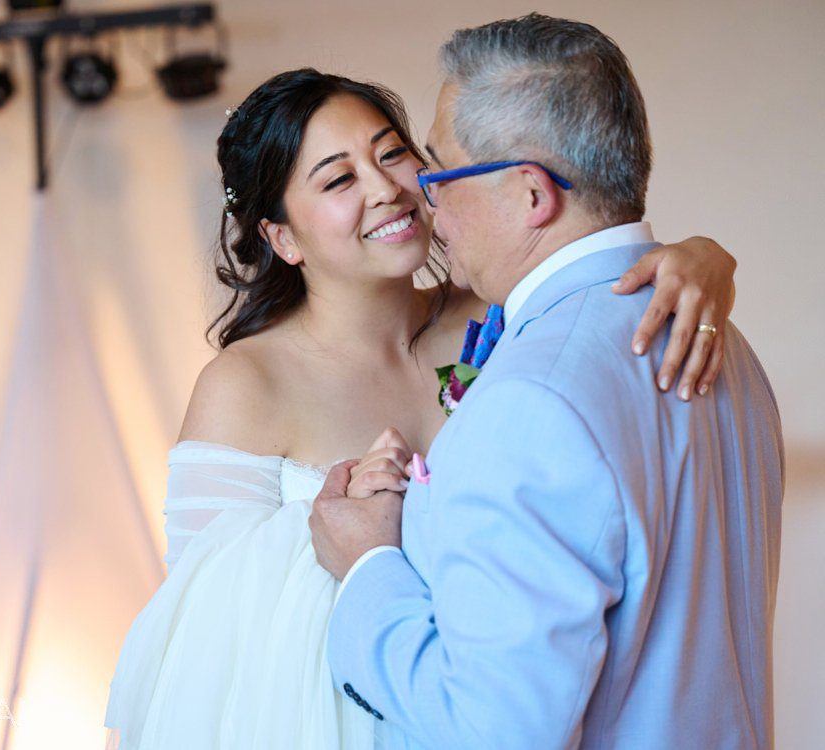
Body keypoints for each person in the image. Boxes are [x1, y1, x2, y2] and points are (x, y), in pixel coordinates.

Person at [104, 66, 739, 749]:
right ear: (283, 239)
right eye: (339, 179)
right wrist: (341, 527)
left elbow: (595, 287)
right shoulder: (244, 385)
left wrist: (704, 259)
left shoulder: (507, 314)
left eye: (392, 154)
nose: (386, 190)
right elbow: (210, 626)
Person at [311, 14, 784, 750]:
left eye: (438, 175)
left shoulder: (532, 398)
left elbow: (492, 732)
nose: (425, 204)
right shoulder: (719, 339)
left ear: (532, 195)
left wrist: (367, 566)